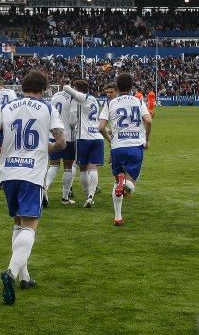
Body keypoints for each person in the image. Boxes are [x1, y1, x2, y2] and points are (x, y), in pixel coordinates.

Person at [0, 70, 66, 305]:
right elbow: (61, 142)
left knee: (18, 223)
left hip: (9, 173)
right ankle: (10, 272)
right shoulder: (48, 109)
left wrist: (2, 153)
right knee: (30, 225)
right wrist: (46, 149)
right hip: (32, 173)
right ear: (44, 89)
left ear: (22, 87)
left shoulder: (7, 106)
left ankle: (24, 276)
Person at [99, 73, 152, 226]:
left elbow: (101, 127)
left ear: (117, 86)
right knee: (131, 184)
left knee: (117, 182)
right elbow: (148, 120)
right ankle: (125, 184)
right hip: (135, 145)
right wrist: (146, 139)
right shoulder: (138, 101)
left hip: (117, 147)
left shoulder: (110, 103)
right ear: (131, 86)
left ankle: (118, 217)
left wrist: (110, 140)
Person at [64, 79, 104, 208]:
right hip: (97, 137)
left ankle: (88, 195)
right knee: (93, 168)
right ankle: (91, 196)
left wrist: (73, 90)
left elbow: (65, 88)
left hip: (84, 138)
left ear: (78, 90)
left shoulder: (82, 98)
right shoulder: (94, 99)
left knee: (83, 169)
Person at [45, 82, 76, 206]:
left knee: (53, 165)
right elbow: (73, 118)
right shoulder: (73, 97)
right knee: (68, 167)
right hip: (67, 134)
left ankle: (44, 188)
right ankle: (65, 197)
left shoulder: (55, 96)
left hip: (53, 134)